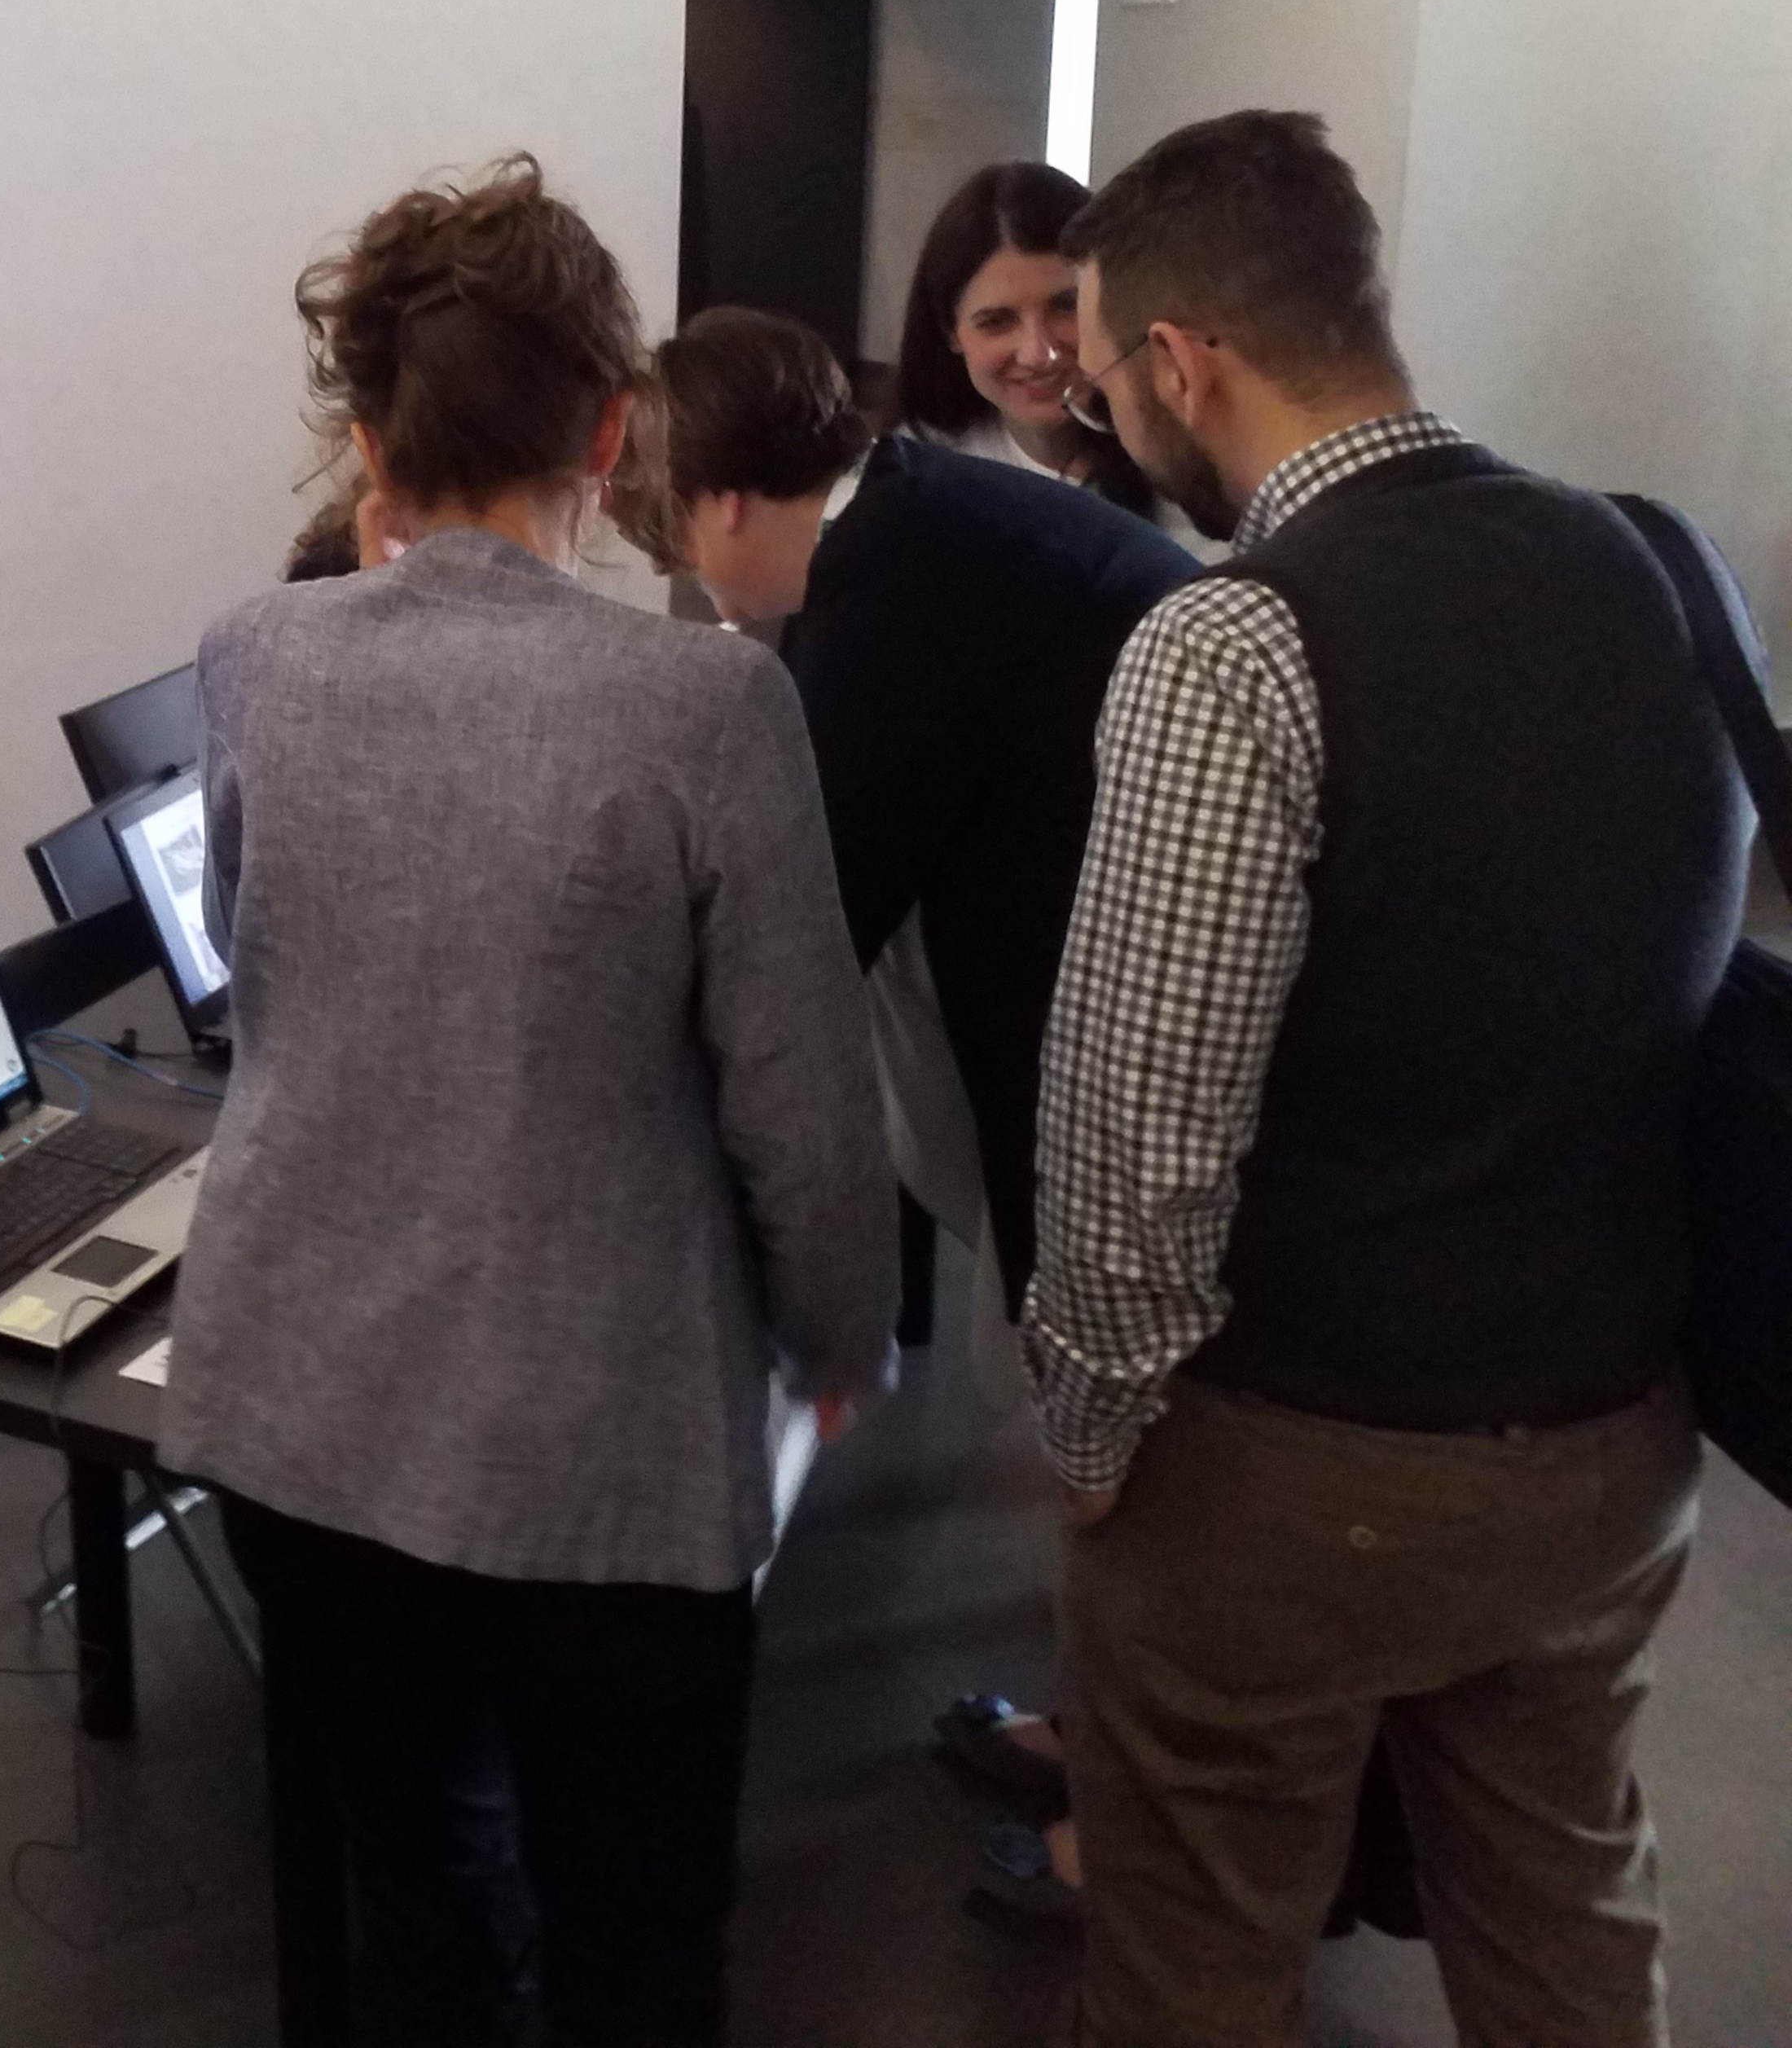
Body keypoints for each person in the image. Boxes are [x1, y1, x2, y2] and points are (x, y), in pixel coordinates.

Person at [1030, 110, 1748, 2046]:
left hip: (1300, 1466)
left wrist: (1088, 1428)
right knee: (1566, 1915)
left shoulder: (1230, 644)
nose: (1109, 422)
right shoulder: (1653, 561)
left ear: (1180, 362)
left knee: (1196, 1954)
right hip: (1613, 1436)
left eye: (1103, 381)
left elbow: (1139, 1134)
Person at [164, 156, 896, 2048]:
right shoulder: (705, 709)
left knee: (414, 1904)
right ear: (609, 429)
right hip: (600, 1468)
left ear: (369, 433)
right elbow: (805, 1111)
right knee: (632, 1955)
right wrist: (837, 1338)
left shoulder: (251, 657)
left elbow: (253, 965)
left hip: (294, 1427)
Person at [630, 305, 1196, 1923]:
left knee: (1139, 1457)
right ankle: (1103, 1738)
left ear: (721, 500)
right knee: (1123, 1446)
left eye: (675, 545)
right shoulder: (916, 511)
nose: (695, 588)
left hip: (1123, 1058)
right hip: (1092, 998)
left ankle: (1134, 1832)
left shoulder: (886, 593)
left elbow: (801, 941)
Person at [895, 160, 1172, 532]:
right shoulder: (913, 473)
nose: (1039, 355)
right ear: (950, 332)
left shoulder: (1186, 473)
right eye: (997, 322)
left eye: (1066, 306)